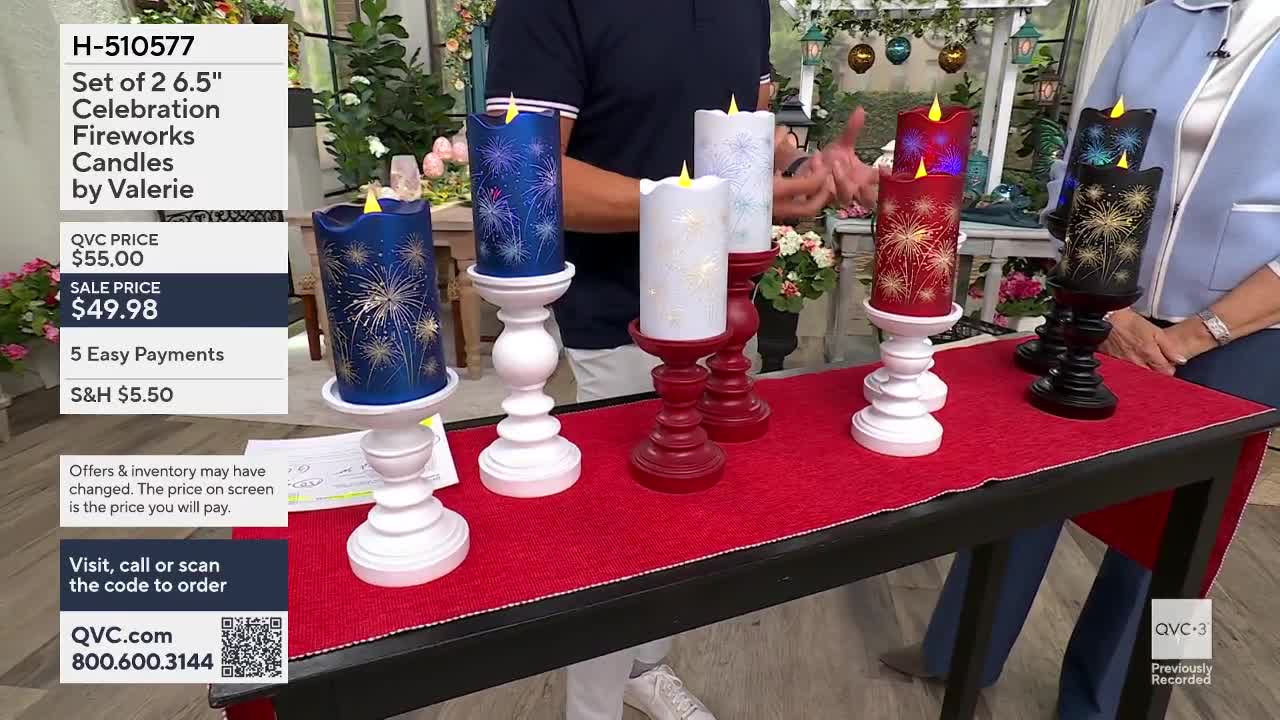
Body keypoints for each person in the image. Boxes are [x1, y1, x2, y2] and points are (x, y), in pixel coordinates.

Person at [880, 1, 1280, 718]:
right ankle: (955, 649)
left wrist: (1194, 336)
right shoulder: (1165, 15)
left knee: (1192, 530)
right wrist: (1110, 307)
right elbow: (1088, 151)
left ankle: (1129, 697)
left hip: (1251, 325)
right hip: (1105, 296)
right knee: (1023, 477)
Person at [483, 1, 878, 719]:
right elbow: (523, 168)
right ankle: (593, 709)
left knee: (688, 523)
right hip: (618, 312)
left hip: (723, 296)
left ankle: (644, 666)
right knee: (625, 539)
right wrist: (693, 204)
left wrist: (796, 161)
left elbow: (742, 127)